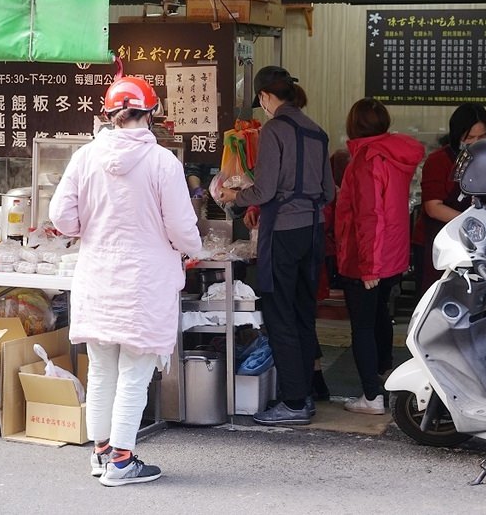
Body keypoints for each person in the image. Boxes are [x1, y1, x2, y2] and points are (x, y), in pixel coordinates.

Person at [49, 76, 202, 487]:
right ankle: (121, 461)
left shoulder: (85, 157)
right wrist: (193, 250)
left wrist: (88, 227)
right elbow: (183, 227)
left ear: (109, 114)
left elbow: (61, 218)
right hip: (144, 281)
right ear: (151, 113)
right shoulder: (162, 163)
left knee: (100, 371)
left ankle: (100, 454)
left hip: (97, 276)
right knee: (135, 371)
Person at [217, 66, 335, 426]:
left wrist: (235, 196)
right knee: (302, 311)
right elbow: (330, 192)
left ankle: (294, 402)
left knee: (280, 314)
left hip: (282, 231)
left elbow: (265, 190)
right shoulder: (318, 132)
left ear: (266, 97)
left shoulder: (274, 130)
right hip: (312, 230)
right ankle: (306, 397)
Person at [335, 98, 424, 414]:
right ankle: (384, 375)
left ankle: (371, 396)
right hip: (392, 255)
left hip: (367, 259)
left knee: (363, 326)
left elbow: (369, 216)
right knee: (380, 317)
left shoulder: (366, 160)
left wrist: (368, 267)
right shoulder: (394, 155)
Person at [413, 104, 486, 292]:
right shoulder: (439, 161)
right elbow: (433, 207)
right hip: (439, 243)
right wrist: (475, 223)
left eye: (482, 136)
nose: (476, 142)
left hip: (478, 246)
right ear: (457, 136)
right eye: (469, 137)